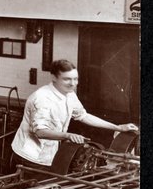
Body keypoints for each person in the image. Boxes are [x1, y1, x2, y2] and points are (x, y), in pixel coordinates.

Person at [10, 58, 138, 172]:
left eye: (75, 79)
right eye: (67, 79)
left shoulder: (69, 94)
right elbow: (40, 132)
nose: (73, 83)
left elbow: (84, 116)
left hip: (49, 153)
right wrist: (67, 135)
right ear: (54, 77)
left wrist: (118, 128)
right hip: (29, 157)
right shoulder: (42, 98)